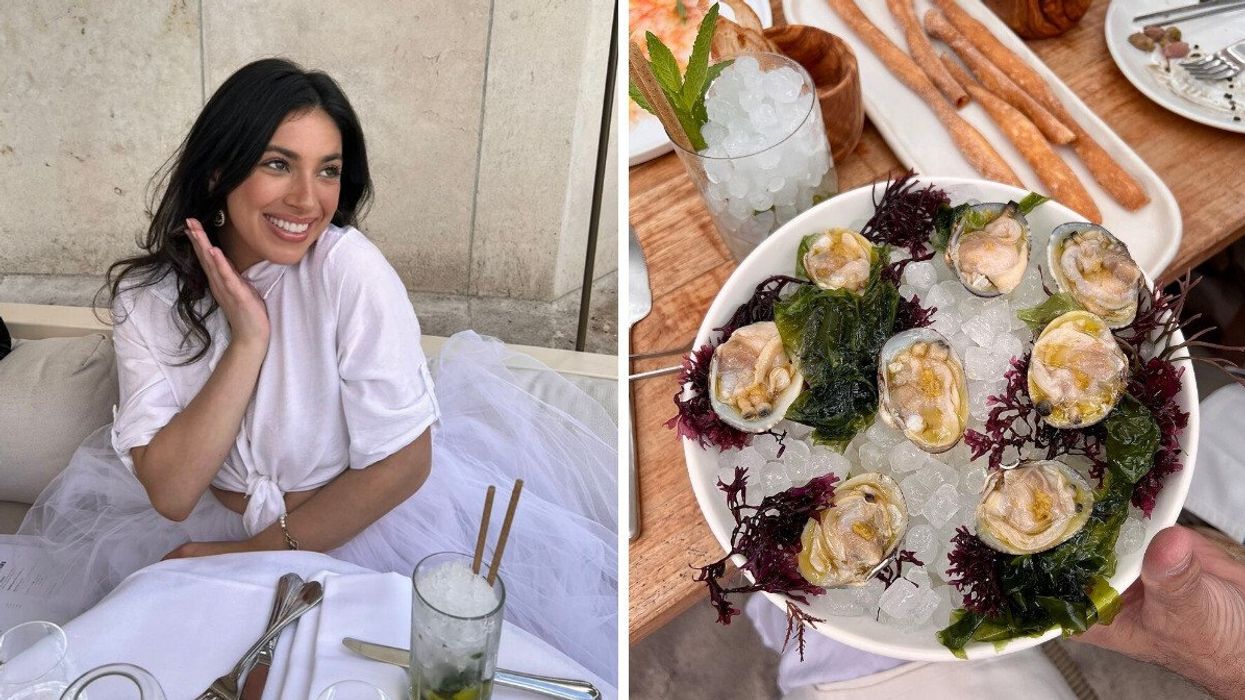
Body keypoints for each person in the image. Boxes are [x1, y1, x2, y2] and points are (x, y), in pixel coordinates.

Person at [10, 58, 616, 681]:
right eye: (278, 164)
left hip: (361, 530)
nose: (308, 199)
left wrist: (244, 557)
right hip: (210, 523)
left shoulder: (347, 270)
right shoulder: (148, 299)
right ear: (219, 170)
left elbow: (404, 465)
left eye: (328, 170)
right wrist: (247, 342)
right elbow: (171, 493)